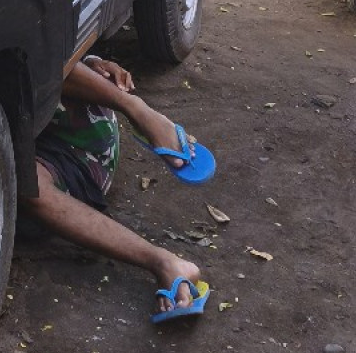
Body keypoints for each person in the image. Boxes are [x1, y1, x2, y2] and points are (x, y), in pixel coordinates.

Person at [22, 52, 216, 323]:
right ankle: (131, 105)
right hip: (53, 122)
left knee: (29, 185)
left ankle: (163, 260)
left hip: (80, 143)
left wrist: (93, 65)